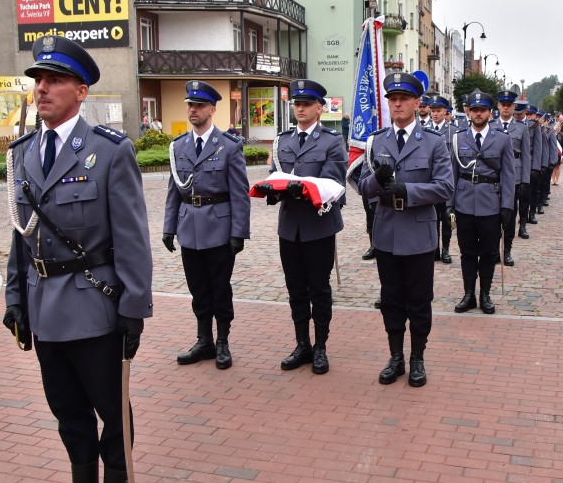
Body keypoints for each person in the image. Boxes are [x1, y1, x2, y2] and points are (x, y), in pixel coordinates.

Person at [3, 35, 153, 483]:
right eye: (38, 80)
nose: (41, 89)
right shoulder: (22, 154)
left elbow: (132, 236)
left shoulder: (109, 151)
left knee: (110, 409)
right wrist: (15, 297)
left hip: (94, 303)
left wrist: (134, 307)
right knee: (67, 411)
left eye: (54, 80)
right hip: (45, 307)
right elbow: (21, 232)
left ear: (81, 90)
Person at [358, 72, 453, 387]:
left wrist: (407, 192)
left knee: (419, 301)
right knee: (391, 299)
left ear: (417, 102)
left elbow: (445, 187)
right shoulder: (378, 140)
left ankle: (417, 359)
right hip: (386, 233)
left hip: (419, 232)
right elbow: (362, 187)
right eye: (392, 99)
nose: (397, 103)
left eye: (403, 99)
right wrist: (377, 178)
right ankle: (395, 357)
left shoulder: (434, 142)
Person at [254, 79, 347, 373]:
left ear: (320, 108)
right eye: (297, 104)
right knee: (295, 289)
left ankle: (320, 347)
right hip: (289, 226)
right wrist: (273, 191)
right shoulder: (283, 140)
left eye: (307, 104)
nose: (301, 108)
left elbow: (334, 184)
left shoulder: (332, 141)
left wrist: (304, 190)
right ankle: (302, 344)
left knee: (318, 288)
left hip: (318, 226)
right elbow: (275, 174)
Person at [162, 80, 250, 370]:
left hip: (219, 228)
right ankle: (204, 341)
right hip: (189, 227)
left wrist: (239, 233)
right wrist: (168, 227)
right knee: (198, 288)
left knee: (219, 288)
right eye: (190, 105)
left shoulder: (228, 146)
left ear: (212, 109)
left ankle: (222, 341)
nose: (193, 110)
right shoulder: (179, 146)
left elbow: (239, 193)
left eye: (199, 105)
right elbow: (174, 190)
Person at [448, 90, 515, 314]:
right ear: (469, 112)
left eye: (482, 110)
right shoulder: (458, 138)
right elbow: (453, 173)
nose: (478, 114)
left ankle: (485, 294)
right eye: (474, 110)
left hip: (490, 203)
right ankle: (468, 295)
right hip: (464, 202)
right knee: (467, 252)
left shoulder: (502, 139)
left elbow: (508, 175)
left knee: (487, 253)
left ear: (489, 113)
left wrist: (507, 205)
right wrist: (449, 202)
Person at [424, 94, 459, 263]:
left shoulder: (453, 131)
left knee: (446, 218)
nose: (435, 114)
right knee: (431, 218)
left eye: (438, 111)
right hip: (429, 181)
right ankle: (433, 249)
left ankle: (445, 249)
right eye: (433, 111)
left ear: (445, 112)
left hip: (445, 180)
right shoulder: (423, 130)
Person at [497, 91, 531, 255]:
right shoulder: (490, 126)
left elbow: (526, 155)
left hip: (515, 175)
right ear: (498, 106)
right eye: (503, 105)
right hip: (494, 175)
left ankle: (507, 250)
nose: (505, 108)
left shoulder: (522, 128)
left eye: (509, 105)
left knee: (510, 213)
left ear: (514, 107)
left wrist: (525, 180)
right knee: (494, 215)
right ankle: (495, 249)